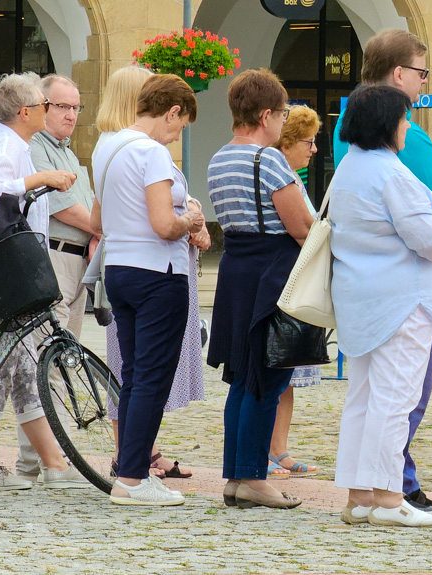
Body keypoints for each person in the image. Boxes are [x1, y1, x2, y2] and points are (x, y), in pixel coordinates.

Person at [333, 27, 432, 514]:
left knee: (364, 398)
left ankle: (359, 496)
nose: (407, 125)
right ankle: (390, 497)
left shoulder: (350, 166)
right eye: (402, 120)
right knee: (395, 398)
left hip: (362, 295)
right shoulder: (391, 171)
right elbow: (427, 237)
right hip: (402, 298)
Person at [0, 71, 86, 490]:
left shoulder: (11, 143)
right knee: (4, 368)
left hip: (8, 274)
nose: (52, 111)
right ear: (26, 111)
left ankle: (47, 463)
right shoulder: (6, 146)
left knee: (18, 368)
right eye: (47, 105)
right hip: (2, 276)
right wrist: (41, 179)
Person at [91, 73, 205, 505]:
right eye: (180, 126)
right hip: (159, 272)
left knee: (136, 376)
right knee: (152, 378)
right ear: (171, 111)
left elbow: (99, 220)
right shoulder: (152, 152)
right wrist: (191, 220)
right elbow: (164, 225)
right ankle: (134, 478)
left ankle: (133, 471)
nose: (176, 135)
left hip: (119, 269)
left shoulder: (107, 146)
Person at [207, 69, 314, 510]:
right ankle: (252, 475)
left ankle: (237, 475)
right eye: (283, 112)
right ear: (267, 114)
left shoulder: (217, 159)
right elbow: (301, 227)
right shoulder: (267, 160)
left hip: (237, 270)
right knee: (267, 379)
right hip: (272, 273)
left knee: (241, 378)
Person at [18, 74, 98, 481]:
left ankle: (39, 458)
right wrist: (103, 229)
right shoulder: (34, 147)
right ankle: (44, 461)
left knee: (62, 358)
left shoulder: (67, 152)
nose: (71, 115)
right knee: (46, 361)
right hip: (54, 259)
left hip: (77, 262)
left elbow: (83, 203)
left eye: (76, 107)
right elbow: (65, 210)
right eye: (62, 106)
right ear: (42, 106)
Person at [268, 104, 322, 477]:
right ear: (287, 143)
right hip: (284, 282)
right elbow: (304, 229)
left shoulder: (295, 178)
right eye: (309, 141)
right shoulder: (280, 176)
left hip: (296, 282)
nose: (314, 149)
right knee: (274, 375)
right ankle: (268, 451)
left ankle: (279, 449)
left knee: (287, 379)